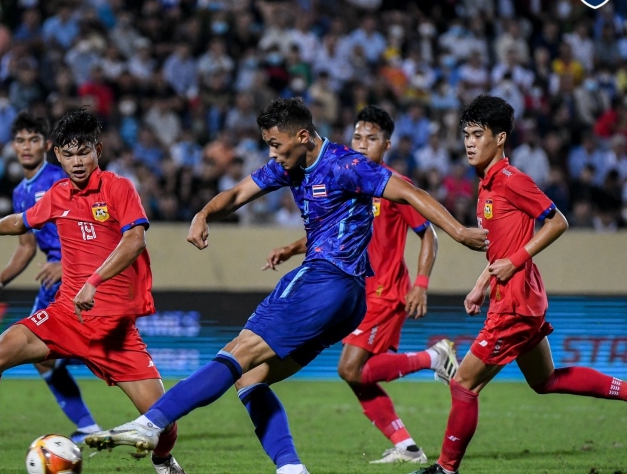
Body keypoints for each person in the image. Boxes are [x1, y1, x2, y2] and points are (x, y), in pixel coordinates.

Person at [85, 98, 488, 474]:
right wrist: (204, 213)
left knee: (238, 352)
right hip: (349, 301)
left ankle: (150, 424)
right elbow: (240, 192)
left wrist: (458, 231)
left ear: (303, 136)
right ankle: (290, 467)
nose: (273, 154)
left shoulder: (347, 165)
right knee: (250, 378)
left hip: (325, 280)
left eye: (277, 145)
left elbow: (411, 193)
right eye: (270, 146)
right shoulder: (289, 165)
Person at [0, 109, 185, 474]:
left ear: (98, 150)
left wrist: (93, 281)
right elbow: (22, 220)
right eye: (69, 153)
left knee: (164, 421)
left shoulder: (118, 188)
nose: (77, 161)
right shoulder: (58, 194)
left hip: (114, 330)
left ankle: (164, 462)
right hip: (66, 316)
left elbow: (135, 240)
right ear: (58, 156)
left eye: (84, 152)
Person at [408, 96, 627, 474]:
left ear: (501, 138)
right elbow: (501, 249)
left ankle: (445, 469)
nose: (469, 142)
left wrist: (515, 261)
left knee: (463, 384)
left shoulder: (512, 181)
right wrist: (482, 282)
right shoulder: (485, 185)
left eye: (478, 134)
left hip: (516, 301)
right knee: (546, 380)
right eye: (466, 135)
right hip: (519, 296)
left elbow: (558, 221)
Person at [263, 105, 457, 464]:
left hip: (384, 290)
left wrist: (421, 283)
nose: (362, 144)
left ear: (386, 145)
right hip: (358, 289)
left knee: (349, 369)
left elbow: (427, 235)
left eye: (371, 139)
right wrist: (292, 248)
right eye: (357, 137)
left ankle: (434, 357)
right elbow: (329, 233)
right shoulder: (347, 178)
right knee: (357, 375)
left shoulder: (391, 184)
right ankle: (407, 446)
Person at [0, 111, 101, 443]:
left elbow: (88, 223)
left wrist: (66, 262)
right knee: (45, 359)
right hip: (54, 278)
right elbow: (25, 246)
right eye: (20, 140)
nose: (26, 147)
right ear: (12, 146)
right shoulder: (21, 192)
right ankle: (89, 427)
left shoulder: (61, 177)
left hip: (76, 272)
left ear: (48, 145)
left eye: (34, 139)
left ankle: (150, 417)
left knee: (72, 349)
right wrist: (1, 278)